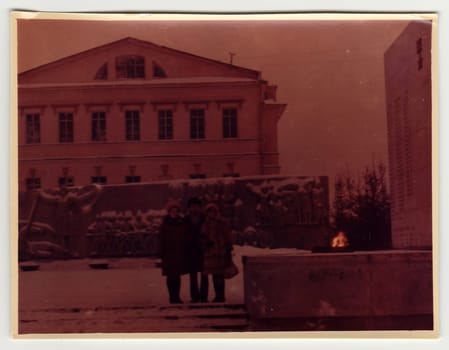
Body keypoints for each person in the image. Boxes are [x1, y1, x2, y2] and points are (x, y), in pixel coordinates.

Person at [201, 203, 233, 303]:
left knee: (220, 275)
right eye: (209, 212)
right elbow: (202, 236)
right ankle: (218, 296)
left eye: (213, 211)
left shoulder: (222, 223)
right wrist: (205, 243)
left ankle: (221, 296)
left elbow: (227, 236)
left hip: (220, 251)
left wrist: (228, 249)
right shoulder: (205, 224)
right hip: (210, 253)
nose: (211, 213)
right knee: (215, 275)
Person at [158, 200, 189, 304]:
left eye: (176, 211)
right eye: (172, 211)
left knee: (177, 276)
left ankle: (177, 296)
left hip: (179, 252)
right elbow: (161, 239)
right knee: (170, 276)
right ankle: (172, 297)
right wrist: (162, 253)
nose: (174, 213)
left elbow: (185, 237)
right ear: (169, 212)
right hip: (169, 253)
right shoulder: (164, 224)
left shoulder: (182, 223)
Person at [185, 197, 208, 303]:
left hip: (203, 249)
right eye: (192, 206)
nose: (195, 208)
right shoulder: (185, 219)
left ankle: (204, 297)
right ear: (189, 208)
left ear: (200, 207)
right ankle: (194, 297)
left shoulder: (205, 218)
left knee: (204, 274)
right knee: (193, 275)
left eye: (197, 206)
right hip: (191, 250)